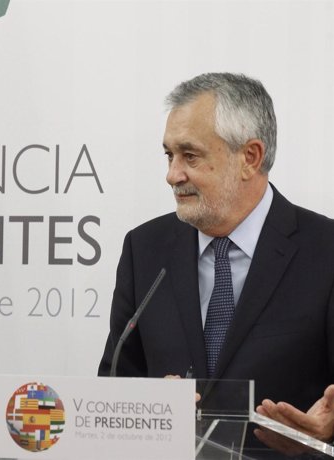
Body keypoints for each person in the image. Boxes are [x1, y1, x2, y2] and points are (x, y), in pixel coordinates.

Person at [97, 72, 334, 453]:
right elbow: (114, 384)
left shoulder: (325, 252)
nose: (172, 174)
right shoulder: (145, 249)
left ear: (250, 158)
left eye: (190, 155)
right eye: (169, 155)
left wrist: (325, 433)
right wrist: (144, 407)